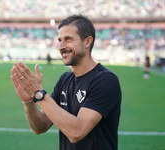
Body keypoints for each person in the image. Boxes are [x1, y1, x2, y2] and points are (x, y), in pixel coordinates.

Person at [11, 14, 122, 150]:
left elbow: (77, 131)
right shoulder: (65, 80)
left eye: (68, 39)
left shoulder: (105, 80)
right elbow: (41, 126)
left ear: (87, 42)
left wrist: (38, 93)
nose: (61, 46)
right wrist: (28, 101)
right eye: (60, 40)